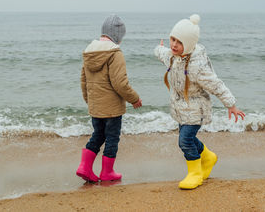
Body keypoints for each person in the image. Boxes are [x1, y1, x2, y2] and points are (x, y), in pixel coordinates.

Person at [154, 14, 245, 189]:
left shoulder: (197, 67)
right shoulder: (173, 56)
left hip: (197, 109)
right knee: (188, 138)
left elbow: (216, 84)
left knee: (185, 141)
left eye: (179, 42)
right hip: (181, 108)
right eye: (172, 39)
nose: (173, 44)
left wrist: (231, 104)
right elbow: (162, 54)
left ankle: (195, 174)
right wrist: (158, 48)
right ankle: (209, 157)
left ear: (188, 44)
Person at [76, 14, 142, 183]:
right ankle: (107, 172)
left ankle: (84, 167)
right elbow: (120, 83)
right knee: (112, 138)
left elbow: (83, 81)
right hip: (112, 108)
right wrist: (134, 98)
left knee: (98, 135)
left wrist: (89, 101)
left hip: (96, 106)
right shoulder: (115, 53)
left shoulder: (89, 52)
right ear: (118, 36)